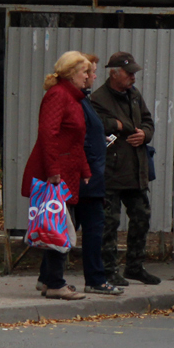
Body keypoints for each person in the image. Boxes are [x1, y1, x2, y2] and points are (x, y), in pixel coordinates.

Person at [20, 50, 92, 300]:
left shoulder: (73, 98)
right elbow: (48, 135)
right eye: (84, 71)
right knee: (58, 227)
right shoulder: (58, 96)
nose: (88, 76)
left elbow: (75, 140)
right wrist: (53, 171)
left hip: (67, 173)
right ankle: (55, 284)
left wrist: (84, 170)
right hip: (56, 175)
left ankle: (46, 279)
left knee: (57, 223)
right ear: (72, 73)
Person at [90, 51, 159, 286]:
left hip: (135, 168)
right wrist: (120, 125)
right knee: (109, 224)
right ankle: (109, 270)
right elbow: (97, 124)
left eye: (134, 73)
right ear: (114, 73)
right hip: (111, 170)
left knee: (142, 217)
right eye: (129, 74)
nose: (133, 78)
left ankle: (135, 266)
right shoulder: (99, 98)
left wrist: (144, 134)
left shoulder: (134, 95)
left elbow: (148, 120)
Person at [77, 55, 122, 295]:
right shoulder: (75, 100)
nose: (93, 76)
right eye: (90, 72)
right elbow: (77, 138)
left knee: (69, 224)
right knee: (94, 227)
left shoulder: (82, 100)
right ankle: (95, 278)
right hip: (87, 175)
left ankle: (49, 276)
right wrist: (90, 165)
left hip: (89, 171)